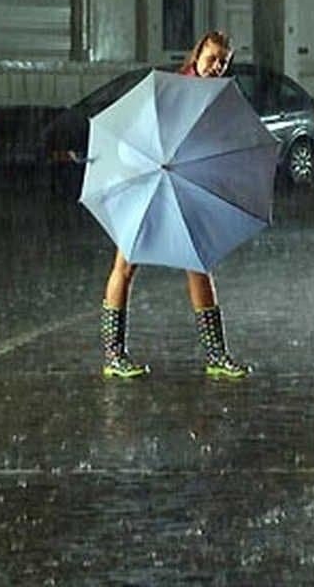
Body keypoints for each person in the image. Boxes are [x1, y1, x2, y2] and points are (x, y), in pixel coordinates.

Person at [99, 29, 249, 379]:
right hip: (146, 183)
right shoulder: (172, 90)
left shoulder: (215, 97)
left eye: (223, 62)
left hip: (182, 187)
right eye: (211, 59)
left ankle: (216, 355)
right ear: (197, 55)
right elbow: (137, 135)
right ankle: (113, 355)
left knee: (198, 265)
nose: (216, 67)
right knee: (125, 265)